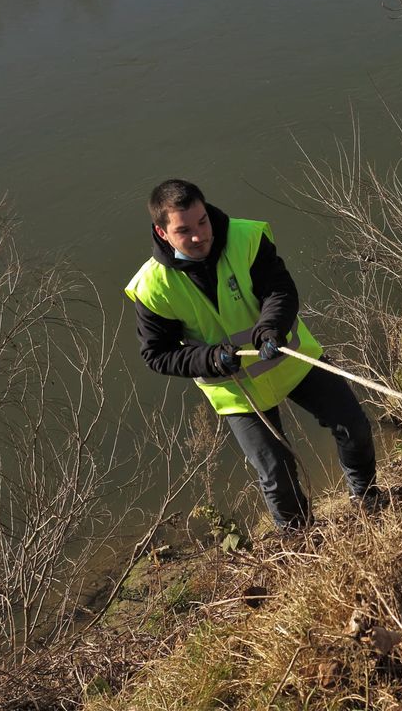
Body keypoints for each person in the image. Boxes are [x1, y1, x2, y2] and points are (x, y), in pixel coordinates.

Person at [125, 179, 378, 529]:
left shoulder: (246, 238)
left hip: (288, 356)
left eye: (202, 221)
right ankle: (298, 542)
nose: (200, 235)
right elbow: (157, 354)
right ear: (162, 232)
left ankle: (366, 499)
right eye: (184, 230)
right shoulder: (152, 287)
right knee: (277, 474)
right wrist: (211, 359)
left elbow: (280, 290)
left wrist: (270, 328)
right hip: (235, 386)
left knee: (355, 427)